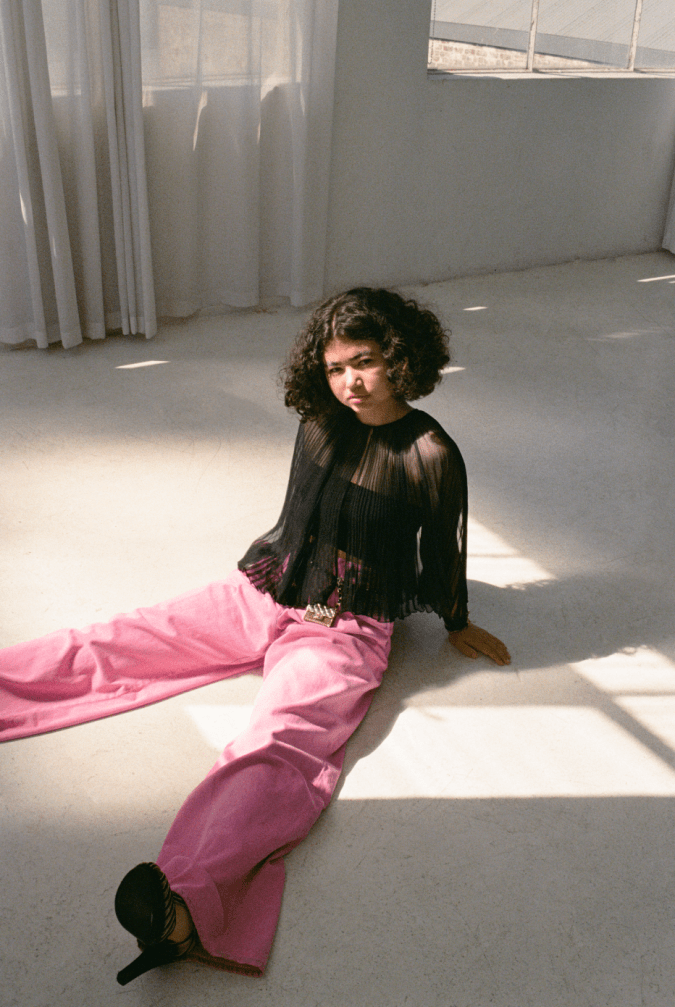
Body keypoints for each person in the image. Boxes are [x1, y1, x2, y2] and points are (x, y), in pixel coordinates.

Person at [0, 287, 510, 985]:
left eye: (364, 362)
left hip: (346, 628)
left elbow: (442, 549)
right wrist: (278, 589)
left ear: (399, 359)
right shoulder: (319, 423)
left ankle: (183, 909)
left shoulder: (431, 452)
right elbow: (300, 520)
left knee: (276, 746)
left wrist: (456, 618)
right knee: (117, 638)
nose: (350, 383)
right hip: (269, 588)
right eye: (335, 368)